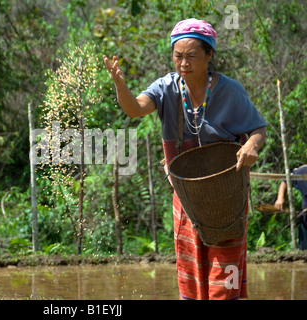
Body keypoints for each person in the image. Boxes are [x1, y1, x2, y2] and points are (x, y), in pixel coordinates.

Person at [103, 18, 267, 300]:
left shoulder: (230, 91)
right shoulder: (166, 88)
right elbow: (135, 108)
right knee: (191, 276)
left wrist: (252, 145)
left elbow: (258, 129)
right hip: (187, 197)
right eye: (178, 56)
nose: (184, 63)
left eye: (191, 56)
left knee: (223, 277)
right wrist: (120, 84)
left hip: (227, 197)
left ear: (209, 55)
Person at [274, 165, 307, 250]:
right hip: (305, 219)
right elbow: (285, 181)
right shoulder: (302, 171)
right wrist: (280, 198)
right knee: (303, 253)